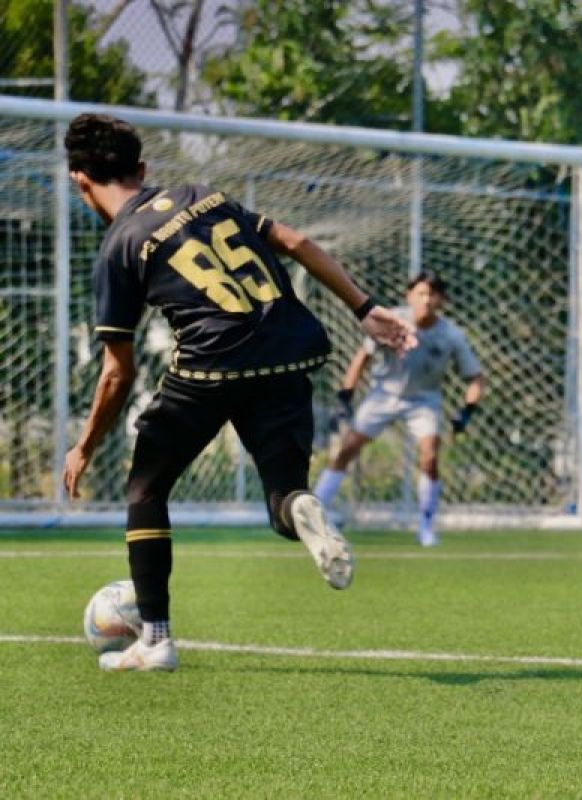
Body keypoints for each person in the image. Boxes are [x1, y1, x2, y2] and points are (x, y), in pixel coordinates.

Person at [61, 113, 415, 672]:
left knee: (146, 488)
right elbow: (295, 242)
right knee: (283, 499)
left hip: (211, 367)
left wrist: (84, 446)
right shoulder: (205, 195)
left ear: (80, 181)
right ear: (143, 169)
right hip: (289, 350)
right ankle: (300, 505)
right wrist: (366, 308)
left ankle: (154, 638)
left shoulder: (120, 245)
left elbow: (116, 373)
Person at [313, 272, 484, 546]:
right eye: (420, 293)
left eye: (432, 295)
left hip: (424, 401)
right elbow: (362, 359)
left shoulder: (452, 335)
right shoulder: (392, 320)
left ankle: (427, 527)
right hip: (383, 395)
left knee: (429, 455)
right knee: (348, 447)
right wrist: (346, 395)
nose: (426, 300)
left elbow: (475, 377)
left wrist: (467, 411)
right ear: (409, 295)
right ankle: (315, 511)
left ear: (442, 300)